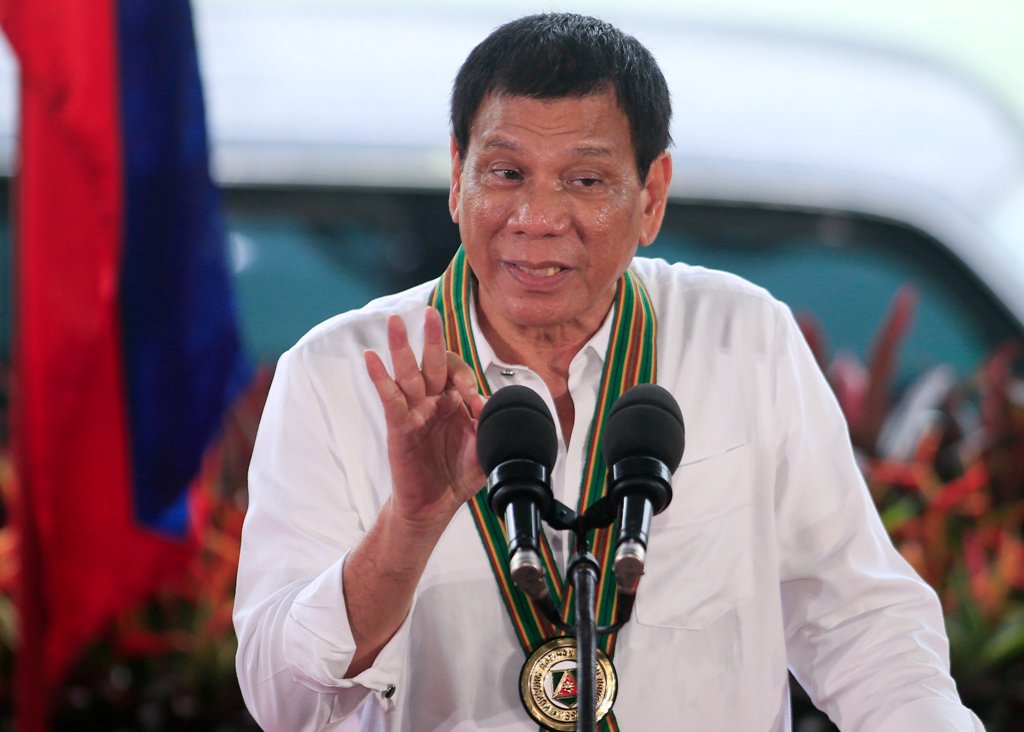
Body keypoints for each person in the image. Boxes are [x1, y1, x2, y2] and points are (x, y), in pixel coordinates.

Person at [233, 12, 984, 731]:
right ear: (458, 174)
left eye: (585, 181)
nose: (537, 216)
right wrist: (410, 526)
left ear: (651, 195)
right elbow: (281, 702)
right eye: (506, 172)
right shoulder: (339, 375)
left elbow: (859, 624)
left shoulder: (742, 338)